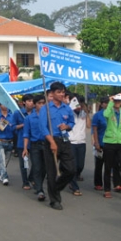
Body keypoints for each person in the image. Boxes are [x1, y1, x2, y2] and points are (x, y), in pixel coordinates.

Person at [39, 82, 75, 210]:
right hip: (51, 141)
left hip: (64, 140)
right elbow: (43, 127)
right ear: (52, 94)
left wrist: (67, 126)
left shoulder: (66, 108)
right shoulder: (46, 109)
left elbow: (71, 122)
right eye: (59, 92)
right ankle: (54, 200)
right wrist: (52, 142)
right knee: (52, 172)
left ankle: (56, 187)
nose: (61, 94)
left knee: (71, 169)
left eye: (63, 92)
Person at [23, 94, 47, 201]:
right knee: (37, 167)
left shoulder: (49, 117)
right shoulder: (29, 118)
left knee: (45, 168)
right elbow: (26, 134)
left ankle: (38, 184)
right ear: (35, 105)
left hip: (46, 145)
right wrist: (25, 148)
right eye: (39, 103)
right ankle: (40, 190)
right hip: (35, 146)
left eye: (43, 103)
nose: (41, 105)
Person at [68, 94, 91, 196]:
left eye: (81, 104)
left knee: (80, 165)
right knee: (73, 165)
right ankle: (74, 187)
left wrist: (87, 113)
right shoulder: (69, 113)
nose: (79, 106)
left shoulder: (83, 113)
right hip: (71, 142)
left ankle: (73, 177)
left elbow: (89, 126)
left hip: (81, 142)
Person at [13, 94, 34, 190]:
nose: (31, 103)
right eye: (29, 101)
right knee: (24, 164)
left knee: (36, 163)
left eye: (32, 101)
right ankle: (25, 182)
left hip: (34, 141)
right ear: (24, 102)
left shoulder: (36, 113)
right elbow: (13, 127)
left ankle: (32, 178)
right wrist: (23, 125)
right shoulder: (18, 113)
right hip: (22, 142)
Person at [0, 103, 15, 185]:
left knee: (5, 161)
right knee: (2, 160)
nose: (4, 105)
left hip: (9, 141)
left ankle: (0, 173)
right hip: (0, 141)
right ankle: (5, 177)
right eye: (2, 103)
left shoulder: (12, 116)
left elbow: (14, 128)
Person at [92, 96, 109, 190]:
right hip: (101, 143)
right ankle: (98, 183)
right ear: (102, 104)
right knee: (99, 165)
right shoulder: (98, 115)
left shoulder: (113, 114)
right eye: (105, 103)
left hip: (111, 143)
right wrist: (96, 143)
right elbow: (94, 130)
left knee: (109, 165)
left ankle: (108, 184)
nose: (107, 104)